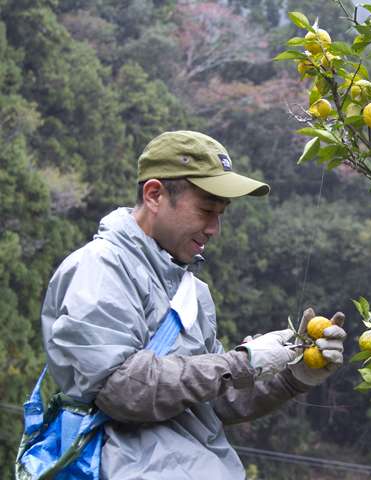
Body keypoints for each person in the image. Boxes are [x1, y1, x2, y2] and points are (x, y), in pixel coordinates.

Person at [40, 130, 347, 479]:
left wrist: (291, 376)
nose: (214, 228)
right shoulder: (101, 267)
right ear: (154, 194)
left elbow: (215, 402)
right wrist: (243, 361)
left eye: (221, 214)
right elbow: (120, 389)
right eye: (205, 210)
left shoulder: (192, 291)